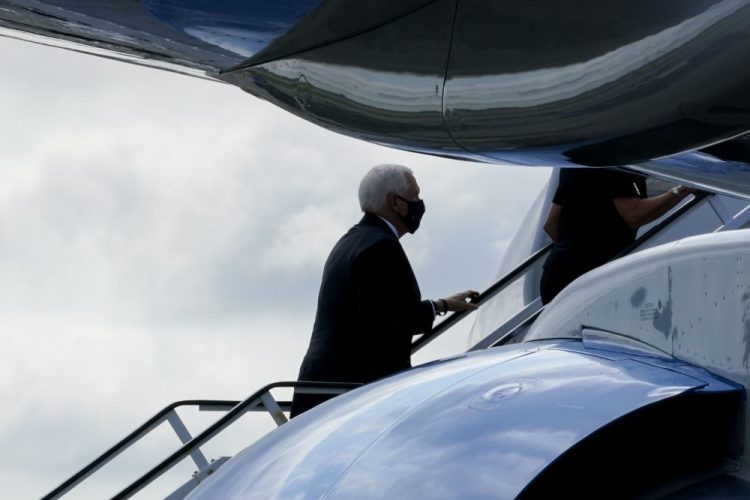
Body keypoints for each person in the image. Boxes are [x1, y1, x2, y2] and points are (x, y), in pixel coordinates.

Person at [290, 164, 478, 417]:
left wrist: (441, 304)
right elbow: (391, 323)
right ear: (395, 202)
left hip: (324, 386)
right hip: (350, 392)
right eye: (415, 196)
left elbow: (380, 311)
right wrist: (437, 307)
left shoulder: (351, 241)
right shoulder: (381, 248)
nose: (420, 203)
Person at [540, 168, 693, 304]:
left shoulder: (576, 162)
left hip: (555, 274)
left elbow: (550, 224)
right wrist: (681, 191)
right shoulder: (616, 163)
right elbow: (634, 215)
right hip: (589, 278)